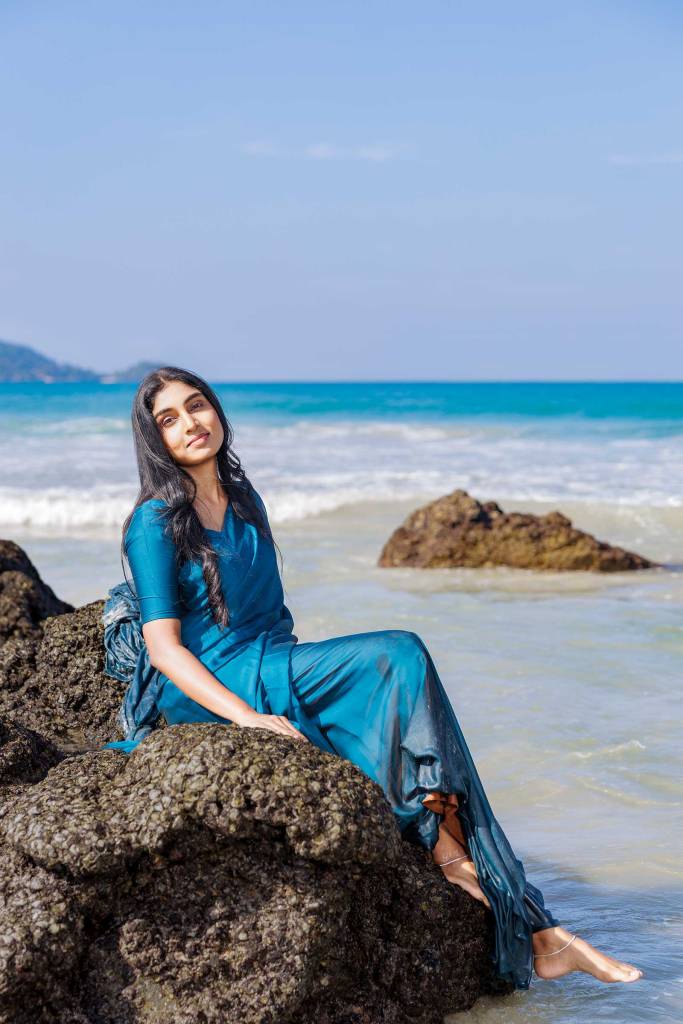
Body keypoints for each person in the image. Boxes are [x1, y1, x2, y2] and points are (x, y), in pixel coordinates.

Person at [107, 365, 643, 992]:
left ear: (217, 412)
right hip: (206, 685)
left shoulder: (246, 504)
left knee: (396, 691)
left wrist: (308, 685)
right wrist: (249, 717)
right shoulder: (153, 521)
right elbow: (164, 650)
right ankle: (480, 879)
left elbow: (274, 617)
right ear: (155, 440)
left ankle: (534, 925)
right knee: (398, 654)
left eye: (197, 406)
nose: (191, 424)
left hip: (269, 661)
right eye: (169, 419)